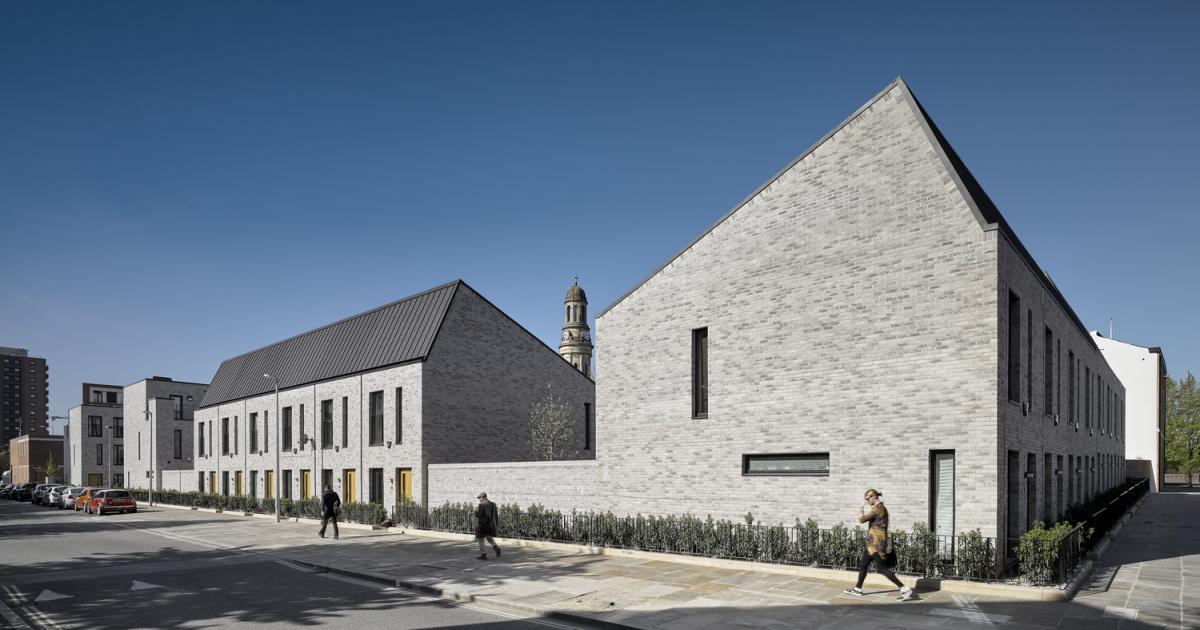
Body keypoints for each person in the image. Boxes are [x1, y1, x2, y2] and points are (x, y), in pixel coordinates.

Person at [843, 488, 912, 601]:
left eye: (867, 498)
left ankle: (904, 588)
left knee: (882, 568)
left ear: (874, 497)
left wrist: (861, 506)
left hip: (877, 544)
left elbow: (862, 519)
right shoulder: (879, 508)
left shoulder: (878, 508)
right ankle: (857, 588)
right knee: (863, 564)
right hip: (872, 543)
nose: (867, 501)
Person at [474, 492, 501, 560]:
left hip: (482, 525)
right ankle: (495, 546)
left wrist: (476, 511)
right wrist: (496, 524)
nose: (479, 499)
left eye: (479, 498)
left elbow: (479, 515)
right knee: (488, 536)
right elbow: (495, 515)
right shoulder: (493, 504)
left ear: (483, 497)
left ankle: (483, 554)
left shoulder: (481, 505)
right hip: (490, 525)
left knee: (481, 539)